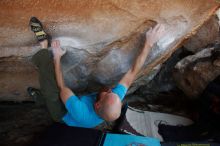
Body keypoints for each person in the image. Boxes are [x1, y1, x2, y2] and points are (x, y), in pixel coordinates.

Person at [29, 17, 165, 128]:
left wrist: (57, 56)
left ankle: (44, 44)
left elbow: (61, 87)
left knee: (50, 91)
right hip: (82, 102)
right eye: (114, 94)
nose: (111, 90)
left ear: (97, 105)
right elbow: (132, 72)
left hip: (62, 114)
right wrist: (149, 43)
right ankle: (41, 98)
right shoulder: (112, 100)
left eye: (108, 94)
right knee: (61, 95)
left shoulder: (81, 113)